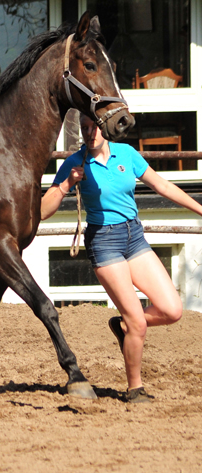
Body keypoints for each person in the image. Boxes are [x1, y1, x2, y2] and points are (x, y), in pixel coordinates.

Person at [41, 113, 202, 403]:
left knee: (172, 310)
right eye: (85, 129)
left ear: (105, 127)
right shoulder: (74, 163)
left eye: (95, 127)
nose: (91, 134)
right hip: (104, 242)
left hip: (134, 236)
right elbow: (43, 209)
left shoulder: (126, 153)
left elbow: (163, 186)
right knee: (138, 322)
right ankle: (135, 389)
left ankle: (122, 325)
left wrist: (200, 209)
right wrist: (67, 185)